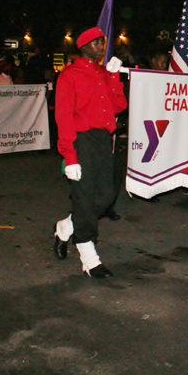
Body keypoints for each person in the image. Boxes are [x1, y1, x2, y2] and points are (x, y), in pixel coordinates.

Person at [53, 27, 128, 278]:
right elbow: (63, 117)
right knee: (84, 196)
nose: (100, 46)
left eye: (102, 42)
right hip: (80, 138)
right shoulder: (69, 75)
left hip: (101, 138)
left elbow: (119, 105)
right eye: (95, 42)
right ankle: (88, 255)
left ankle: (67, 226)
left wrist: (115, 76)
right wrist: (69, 155)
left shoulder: (102, 73)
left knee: (106, 195)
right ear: (82, 46)